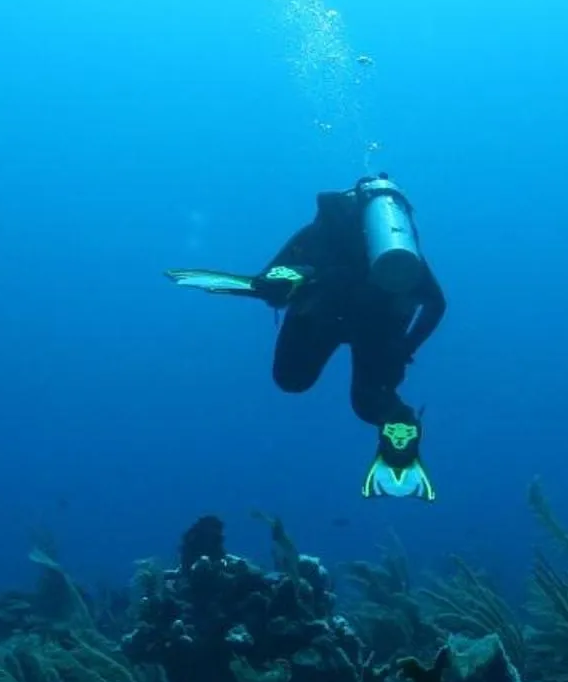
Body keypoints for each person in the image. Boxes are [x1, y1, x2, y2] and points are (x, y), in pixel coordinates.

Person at [168, 174, 445, 500]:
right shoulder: (395, 247)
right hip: (378, 327)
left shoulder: (319, 233)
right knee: (370, 403)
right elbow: (436, 303)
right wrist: (406, 345)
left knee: (291, 380)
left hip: (322, 319)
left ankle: (394, 424)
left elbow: (266, 282)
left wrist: (281, 285)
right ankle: (399, 425)